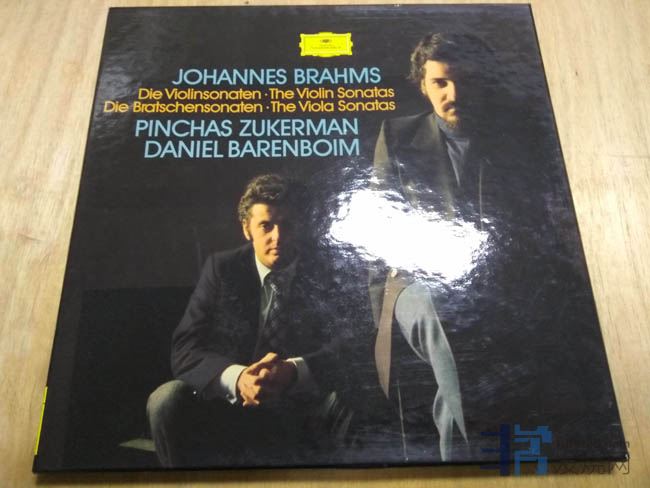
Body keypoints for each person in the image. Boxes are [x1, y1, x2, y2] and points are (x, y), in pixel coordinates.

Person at [370, 32, 600, 462]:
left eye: (464, 81)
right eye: (440, 83)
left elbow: (540, 230)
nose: (453, 94)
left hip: (498, 283)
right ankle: (489, 458)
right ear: (423, 86)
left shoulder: (518, 139)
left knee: (491, 352)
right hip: (415, 289)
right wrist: (379, 322)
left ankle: (462, 461)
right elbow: (379, 236)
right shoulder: (397, 135)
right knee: (438, 307)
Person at [147, 174, 370, 467]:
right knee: (166, 399)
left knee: (357, 397)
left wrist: (293, 371)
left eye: (287, 225)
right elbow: (185, 348)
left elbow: (354, 347)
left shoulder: (329, 268)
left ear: (300, 226)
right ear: (247, 229)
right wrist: (239, 378)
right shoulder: (222, 269)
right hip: (233, 408)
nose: (277, 237)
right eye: (266, 225)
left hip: (305, 411)